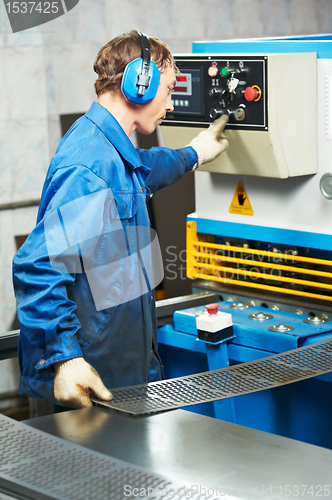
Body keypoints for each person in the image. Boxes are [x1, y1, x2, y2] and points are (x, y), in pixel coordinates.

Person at [13, 30, 229, 409]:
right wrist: (66, 359)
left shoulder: (112, 151)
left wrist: (193, 153)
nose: (171, 104)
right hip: (88, 379)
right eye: (168, 91)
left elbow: (146, 169)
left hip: (117, 373)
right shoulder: (91, 166)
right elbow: (38, 265)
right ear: (138, 86)